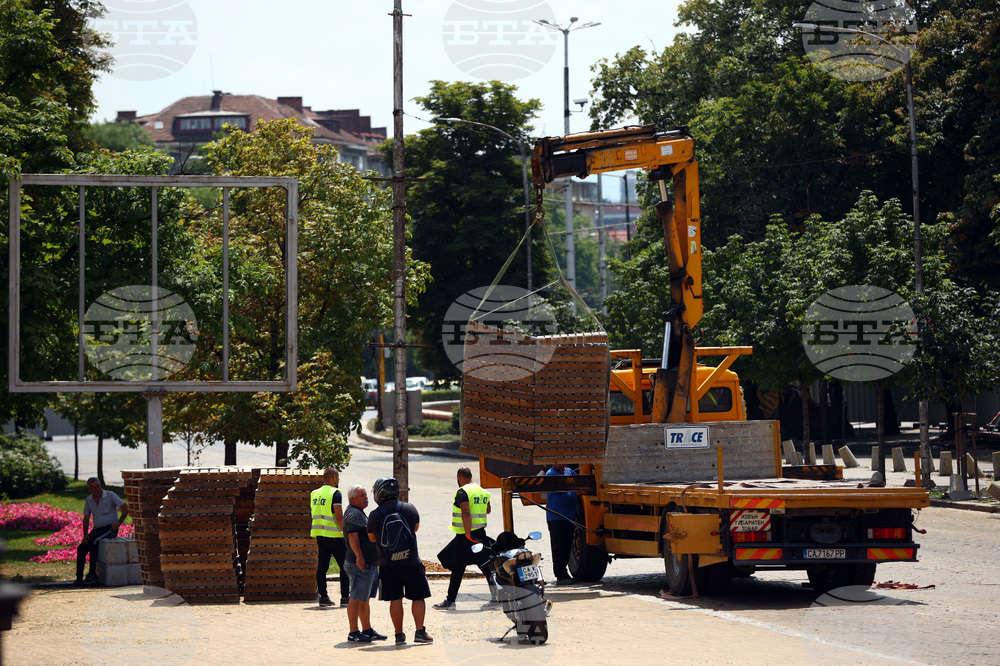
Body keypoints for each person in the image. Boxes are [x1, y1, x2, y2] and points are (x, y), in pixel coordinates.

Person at [367, 477, 433, 645]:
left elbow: (372, 538)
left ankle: (399, 636)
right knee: (418, 598)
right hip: (411, 561)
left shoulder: (374, 515)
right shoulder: (409, 508)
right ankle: (419, 632)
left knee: (395, 599)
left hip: (388, 564)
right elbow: (415, 528)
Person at [433, 466, 494, 609]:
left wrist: (468, 533)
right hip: (480, 534)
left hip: (466, 536)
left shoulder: (462, 492)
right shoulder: (482, 491)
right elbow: (488, 510)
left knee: (457, 566)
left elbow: (466, 512)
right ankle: (497, 598)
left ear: (460, 477)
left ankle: (450, 601)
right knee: (485, 567)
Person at [342, 484, 387, 643]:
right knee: (355, 598)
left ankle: (367, 630)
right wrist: (359, 557)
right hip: (360, 565)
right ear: (353, 498)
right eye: (362, 496)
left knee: (363, 599)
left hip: (367, 564)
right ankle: (353, 632)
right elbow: (353, 537)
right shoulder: (354, 514)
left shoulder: (357, 512)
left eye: (366, 495)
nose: (366, 498)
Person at [75, 477, 129, 586]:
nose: (97, 489)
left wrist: (118, 523)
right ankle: (79, 579)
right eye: (94, 488)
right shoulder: (89, 500)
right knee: (81, 548)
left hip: (110, 528)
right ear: (90, 489)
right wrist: (85, 534)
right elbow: (86, 518)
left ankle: (92, 574)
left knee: (94, 542)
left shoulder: (110, 495)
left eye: (98, 486)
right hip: (97, 530)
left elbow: (125, 507)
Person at [310, 468, 349, 606]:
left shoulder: (314, 493)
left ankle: (323, 598)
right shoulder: (335, 493)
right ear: (333, 477)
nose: (339, 480)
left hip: (320, 535)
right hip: (334, 535)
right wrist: (345, 533)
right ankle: (345, 598)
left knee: (322, 567)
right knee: (345, 565)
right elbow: (339, 516)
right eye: (338, 477)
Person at [545, 463, 577, 585]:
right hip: (556, 517)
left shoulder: (569, 471)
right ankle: (560, 575)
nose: (559, 463)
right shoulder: (551, 473)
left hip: (568, 516)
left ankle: (564, 573)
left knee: (567, 546)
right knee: (559, 547)